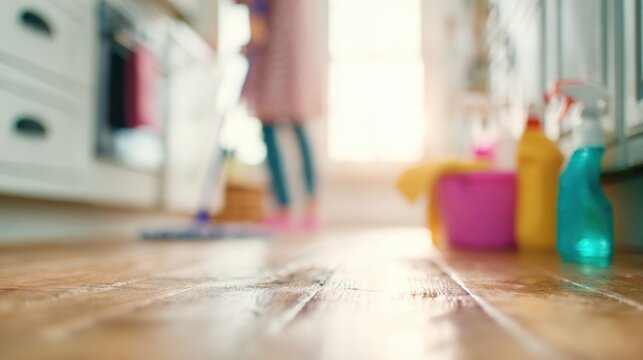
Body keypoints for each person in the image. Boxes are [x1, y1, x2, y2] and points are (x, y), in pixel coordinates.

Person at [236, 0, 324, 230]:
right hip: (295, 47)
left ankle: (287, 207)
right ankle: (306, 208)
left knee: (272, 123)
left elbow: (255, 12)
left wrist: (254, 30)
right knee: (295, 121)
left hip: (279, 49)